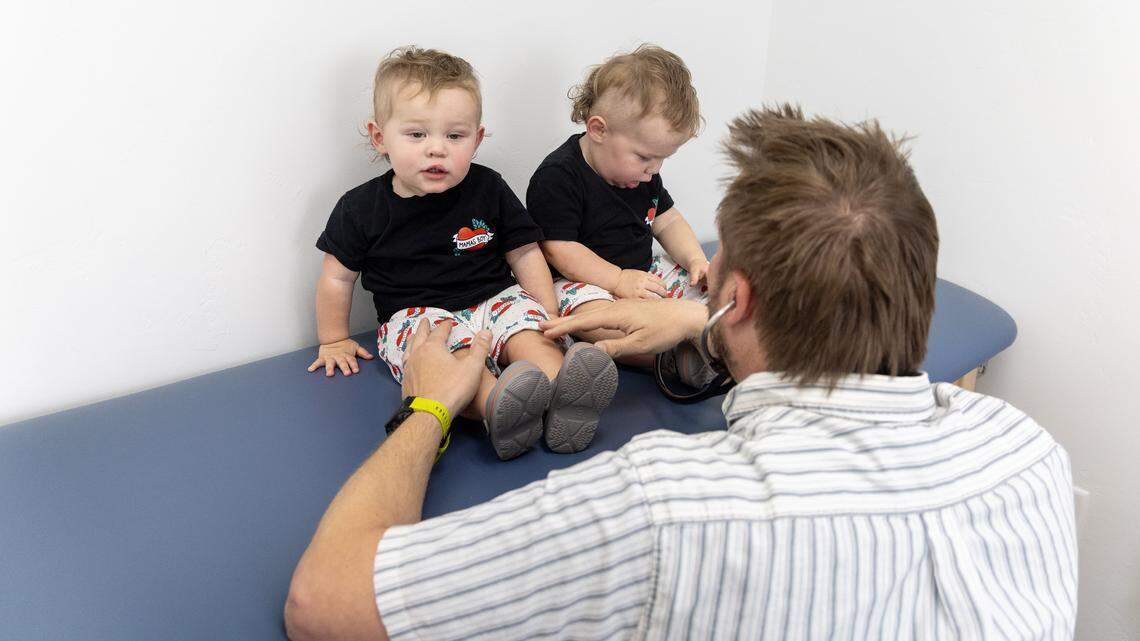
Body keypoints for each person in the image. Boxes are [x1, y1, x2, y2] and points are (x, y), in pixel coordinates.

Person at [285, 105, 1077, 640]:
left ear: (736, 295)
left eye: (713, 265)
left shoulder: (664, 506)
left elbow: (325, 604)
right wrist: (696, 319)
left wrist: (429, 403)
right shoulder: (1025, 450)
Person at [306, 46, 617, 460]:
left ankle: (565, 389)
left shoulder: (488, 188)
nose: (437, 149)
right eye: (417, 135)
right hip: (419, 317)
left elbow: (524, 254)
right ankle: (497, 407)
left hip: (495, 298)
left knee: (527, 334)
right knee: (446, 364)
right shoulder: (360, 208)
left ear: (477, 138)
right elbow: (336, 277)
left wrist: (545, 312)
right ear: (380, 137)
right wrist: (334, 339)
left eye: (454, 136)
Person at [526, 44, 713, 380]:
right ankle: (667, 358)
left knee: (708, 286)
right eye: (644, 157)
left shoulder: (643, 175)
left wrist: (696, 260)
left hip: (642, 274)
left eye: (661, 160)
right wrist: (616, 279)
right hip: (584, 282)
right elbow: (558, 249)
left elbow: (667, 220)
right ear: (599, 130)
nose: (653, 170)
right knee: (590, 315)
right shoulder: (558, 175)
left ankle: (711, 337)